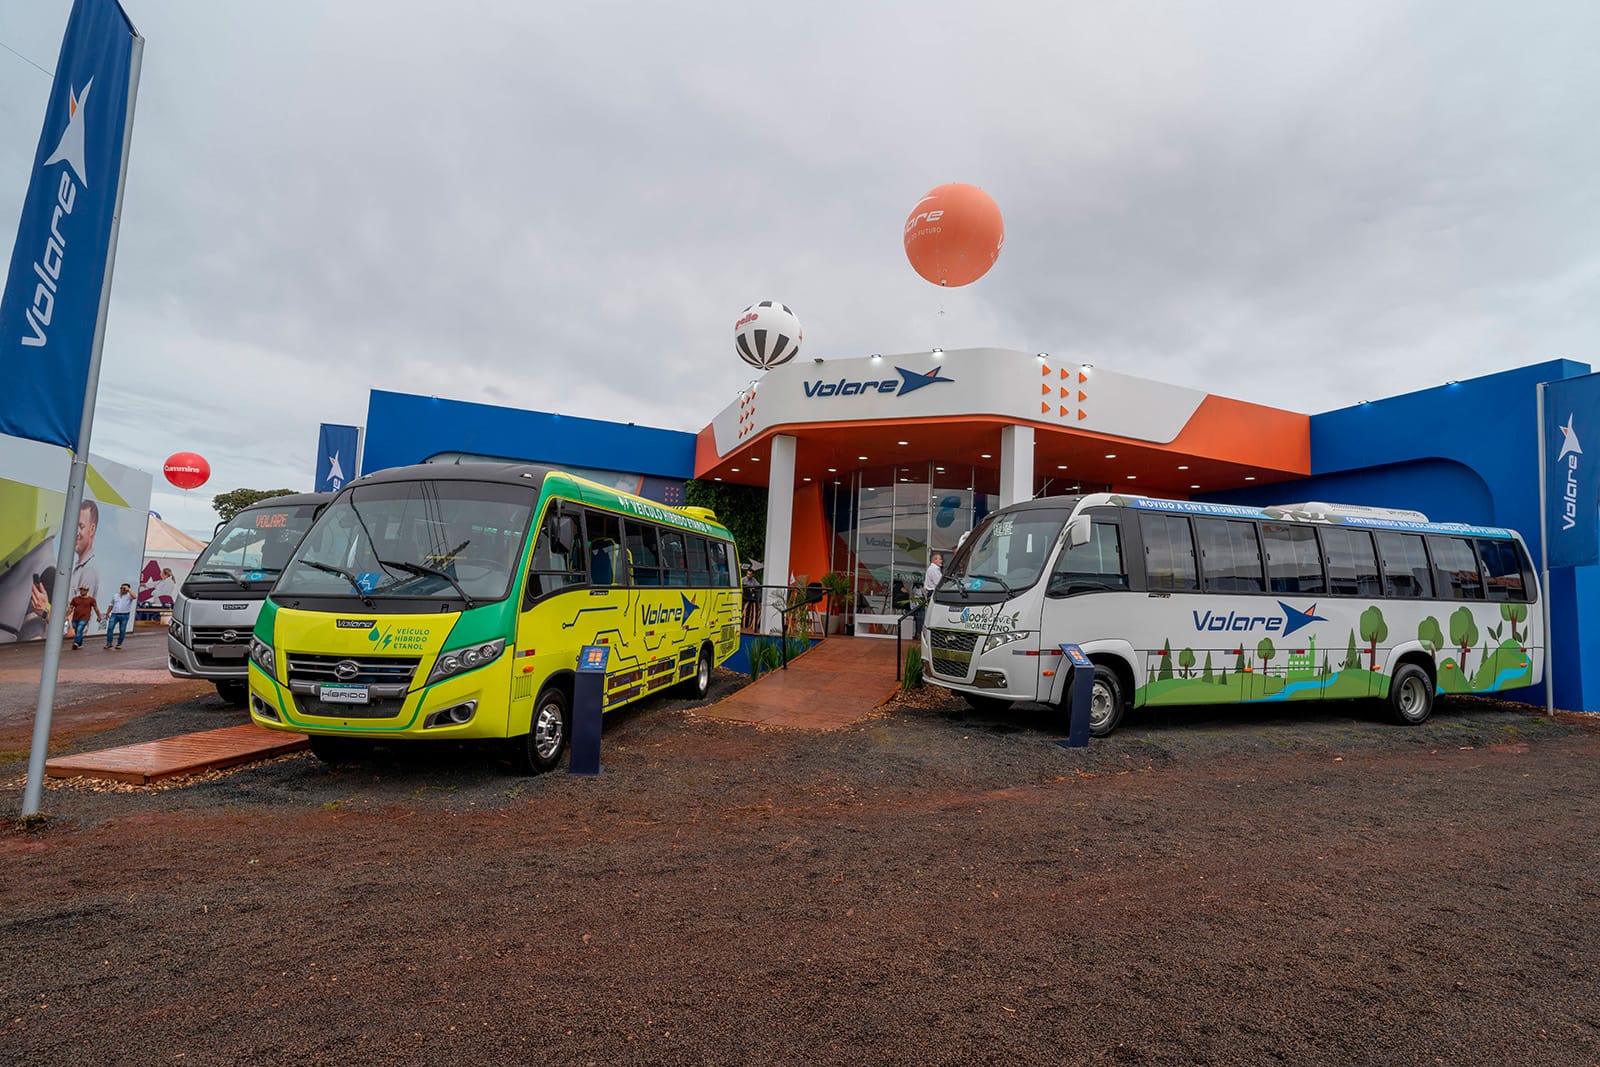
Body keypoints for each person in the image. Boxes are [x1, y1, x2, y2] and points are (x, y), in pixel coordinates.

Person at [25, 499, 100, 627]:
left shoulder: (88, 572)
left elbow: (72, 629)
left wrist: (45, 610)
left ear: (92, 530)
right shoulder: (79, 568)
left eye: (81, 526)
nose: (76, 532)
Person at [915, 552, 943, 637]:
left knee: (926, 613)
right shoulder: (934, 569)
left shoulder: (933, 569)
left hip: (930, 592)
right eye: (940, 559)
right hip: (932, 592)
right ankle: (922, 633)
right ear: (934, 560)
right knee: (929, 614)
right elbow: (939, 583)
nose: (941, 561)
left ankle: (920, 632)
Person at [68, 585, 102, 650]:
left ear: (87, 591)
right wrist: (66, 615)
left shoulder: (91, 599)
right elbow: (70, 608)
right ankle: (80, 644)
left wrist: (99, 616)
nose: (82, 591)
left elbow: (96, 608)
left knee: (79, 629)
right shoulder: (75, 599)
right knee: (77, 631)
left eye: (84, 590)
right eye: (81, 589)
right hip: (75, 618)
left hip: (85, 618)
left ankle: (76, 643)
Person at [104, 582, 135, 650]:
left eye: (124, 588)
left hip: (125, 615)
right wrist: (107, 613)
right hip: (114, 614)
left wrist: (129, 590)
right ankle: (109, 643)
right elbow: (111, 605)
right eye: (121, 588)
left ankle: (119, 643)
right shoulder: (115, 595)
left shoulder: (129, 595)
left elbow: (134, 597)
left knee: (122, 630)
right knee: (110, 628)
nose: (122, 589)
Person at [742, 565, 760, 631]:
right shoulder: (743, 579)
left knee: (756, 594)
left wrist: (753, 588)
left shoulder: (753, 580)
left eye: (750, 574)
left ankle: (751, 621)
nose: (748, 575)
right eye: (748, 574)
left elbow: (758, 585)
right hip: (744, 596)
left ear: (752, 575)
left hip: (751, 596)